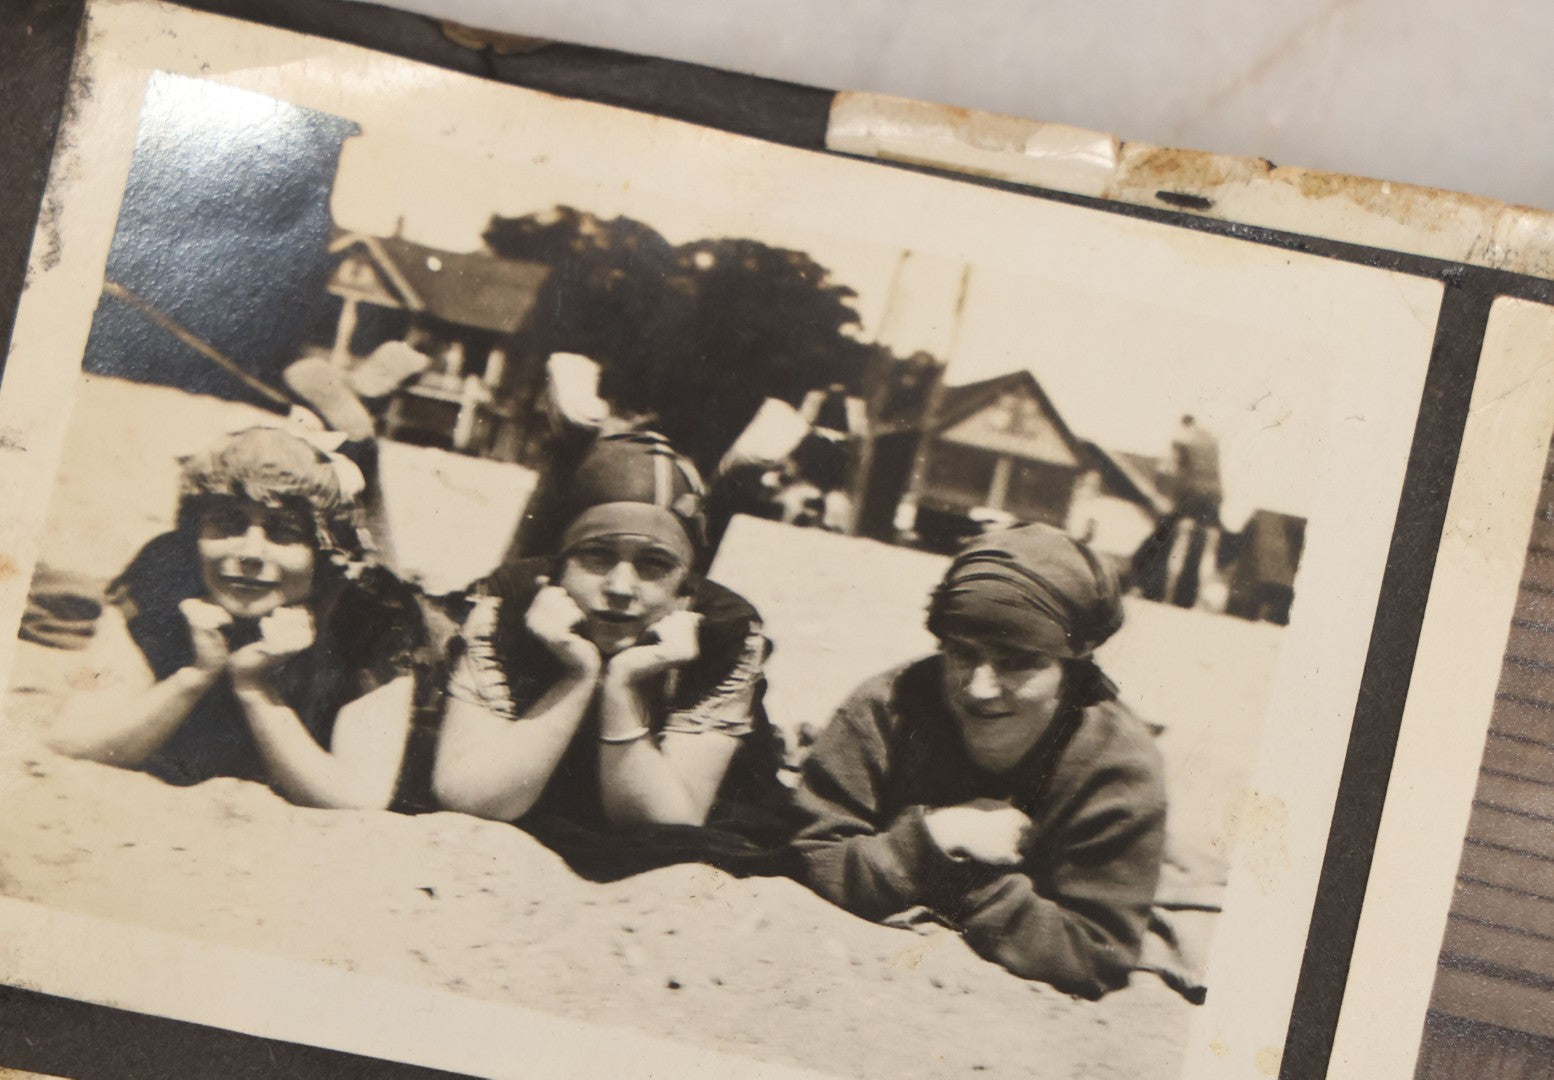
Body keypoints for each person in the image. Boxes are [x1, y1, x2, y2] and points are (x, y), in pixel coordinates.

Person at [791, 524, 1167, 998]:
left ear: (1071, 666)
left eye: (1017, 661)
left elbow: (1096, 954)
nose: (979, 688)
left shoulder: (1117, 768)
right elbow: (812, 856)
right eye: (962, 654)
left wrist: (961, 877)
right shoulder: (886, 709)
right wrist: (939, 838)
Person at [431, 431, 796, 878]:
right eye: (597, 556)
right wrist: (578, 675)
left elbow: (669, 828)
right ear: (558, 567)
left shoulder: (725, 631)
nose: (621, 588)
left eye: (654, 565)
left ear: (684, 587)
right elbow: (469, 798)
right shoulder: (510, 600)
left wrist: (623, 686)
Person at [48, 426, 436, 811]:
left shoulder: (373, 611)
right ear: (194, 533)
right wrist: (195, 676)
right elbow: (74, 740)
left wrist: (254, 687)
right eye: (229, 523)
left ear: (325, 550)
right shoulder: (162, 573)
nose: (250, 552)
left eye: (283, 531)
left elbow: (356, 796)